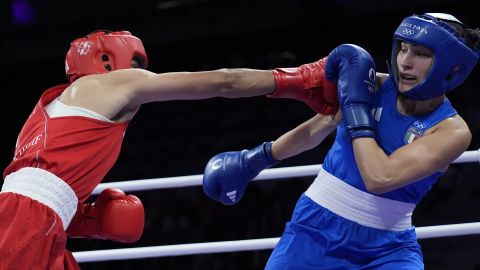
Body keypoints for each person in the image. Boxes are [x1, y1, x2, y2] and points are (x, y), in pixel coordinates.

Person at [0, 29, 339, 269]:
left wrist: (88, 221)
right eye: (134, 64)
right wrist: (298, 79)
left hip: (38, 223)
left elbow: (30, 195)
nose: (140, 73)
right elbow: (224, 81)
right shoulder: (114, 83)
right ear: (107, 62)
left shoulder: (45, 111)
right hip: (30, 223)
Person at [202, 13, 480, 268]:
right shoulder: (375, 85)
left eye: (420, 54)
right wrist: (255, 160)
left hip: (387, 250)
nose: (405, 61)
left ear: (449, 66)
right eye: (404, 49)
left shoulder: (451, 131)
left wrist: (357, 109)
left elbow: (380, 177)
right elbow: (318, 128)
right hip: (313, 231)